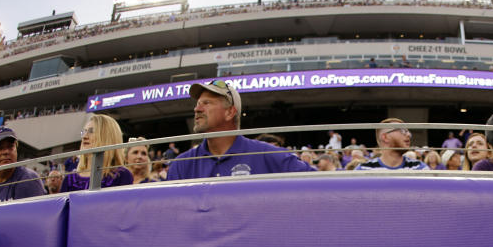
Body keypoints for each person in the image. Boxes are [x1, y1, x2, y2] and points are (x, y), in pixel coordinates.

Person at [167, 80, 314, 180]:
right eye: (198, 104)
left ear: (230, 112)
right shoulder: (182, 165)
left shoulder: (267, 155)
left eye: (206, 103)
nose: (197, 109)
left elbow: (321, 183)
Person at [61, 114, 133, 192]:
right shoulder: (69, 179)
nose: (84, 136)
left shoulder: (121, 175)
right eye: (84, 131)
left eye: (91, 131)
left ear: (107, 137)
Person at [356, 118, 428, 171]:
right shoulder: (364, 169)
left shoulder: (419, 167)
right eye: (402, 130)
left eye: (408, 131)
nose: (409, 135)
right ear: (385, 137)